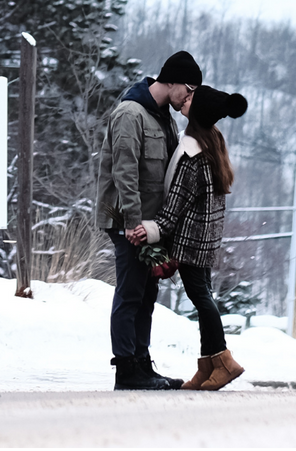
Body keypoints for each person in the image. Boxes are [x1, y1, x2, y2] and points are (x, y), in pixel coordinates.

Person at [95, 50, 202, 390]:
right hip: (127, 220)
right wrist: (132, 221)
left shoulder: (164, 118)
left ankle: (142, 364)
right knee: (130, 293)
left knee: (146, 294)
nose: (188, 97)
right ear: (171, 80)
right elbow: (124, 171)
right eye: (188, 89)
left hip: (150, 224)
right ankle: (126, 369)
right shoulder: (131, 112)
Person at [136, 84, 250, 390]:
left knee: (201, 298)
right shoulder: (211, 141)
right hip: (205, 236)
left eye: (190, 99)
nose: (185, 100)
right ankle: (207, 364)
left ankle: (224, 361)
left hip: (190, 240)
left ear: (197, 111)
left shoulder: (192, 153)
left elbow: (174, 208)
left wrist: (147, 229)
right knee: (203, 297)